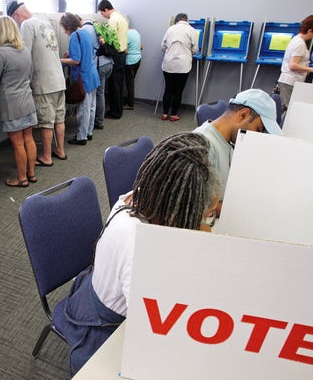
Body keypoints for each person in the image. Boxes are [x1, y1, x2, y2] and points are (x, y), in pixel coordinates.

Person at [62, 132, 222, 373]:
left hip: (104, 291)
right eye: (202, 214)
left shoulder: (143, 198)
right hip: (106, 326)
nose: (203, 220)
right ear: (176, 209)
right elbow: (152, 327)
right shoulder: (136, 244)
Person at [193, 88, 283, 216]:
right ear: (243, 115)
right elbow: (199, 205)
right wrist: (247, 211)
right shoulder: (203, 146)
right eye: (258, 129)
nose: (257, 135)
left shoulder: (228, 140)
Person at [7, 0, 68, 165]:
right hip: (58, 79)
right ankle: (60, 150)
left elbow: (24, 53)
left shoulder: (27, 25)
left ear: (15, 15)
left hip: (44, 81)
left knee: (46, 121)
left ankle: (47, 157)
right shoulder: (45, 22)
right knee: (59, 118)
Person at [0, 15, 38, 188]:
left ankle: (21, 178)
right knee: (29, 139)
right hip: (27, 100)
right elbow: (28, 75)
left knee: (18, 143)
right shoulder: (25, 50)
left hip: (12, 104)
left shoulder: (2, 52)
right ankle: (31, 174)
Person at [60, 13, 100, 145]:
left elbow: (76, 61)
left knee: (84, 108)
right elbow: (85, 53)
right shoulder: (86, 33)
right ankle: (88, 132)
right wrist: (70, 54)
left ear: (67, 26)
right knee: (92, 106)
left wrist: (59, 60)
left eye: (64, 28)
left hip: (84, 77)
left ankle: (81, 137)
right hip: (93, 74)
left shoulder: (73, 36)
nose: (65, 32)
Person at [277, 15, 313, 113]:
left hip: (290, 81)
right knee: (288, 112)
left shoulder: (296, 40)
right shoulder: (300, 44)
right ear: (310, 30)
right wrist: (312, 69)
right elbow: (293, 65)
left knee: (287, 110)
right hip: (290, 81)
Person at [160, 13, 199, 122]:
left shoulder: (170, 29)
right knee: (178, 90)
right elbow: (195, 50)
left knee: (168, 89)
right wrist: (187, 52)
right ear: (187, 20)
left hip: (168, 63)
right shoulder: (191, 30)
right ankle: (173, 115)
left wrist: (170, 52)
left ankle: (164, 113)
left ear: (176, 21)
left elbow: (162, 46)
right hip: (183, 65)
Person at [98, 0, 129, 119]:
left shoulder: (113, 20)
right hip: (122, 54)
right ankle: (118, 109)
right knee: (119, 83)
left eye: (102, 13)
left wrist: (101, 39)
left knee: (113, 85)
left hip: (115, 55)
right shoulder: (122, 18)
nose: (103, 16)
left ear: (106, 9)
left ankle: (115, 112)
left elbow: (109, 39)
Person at [80, 17, 113, 131]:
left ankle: (99, 122)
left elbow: (83, 49)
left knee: (99, 94)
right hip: (109, 62)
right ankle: (97, 119)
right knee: (101, 93)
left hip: (99, 64)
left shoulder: (85, 29)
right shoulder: (97, 26)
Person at [124, 28, 142, 110]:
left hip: (130, 61)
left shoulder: (126, 34)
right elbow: (141, 46)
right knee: (131, 81)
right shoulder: (136, 32)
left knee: (130, 83)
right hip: (138, 59)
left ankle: (130, 104)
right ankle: (129, 101)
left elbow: (126, 51)